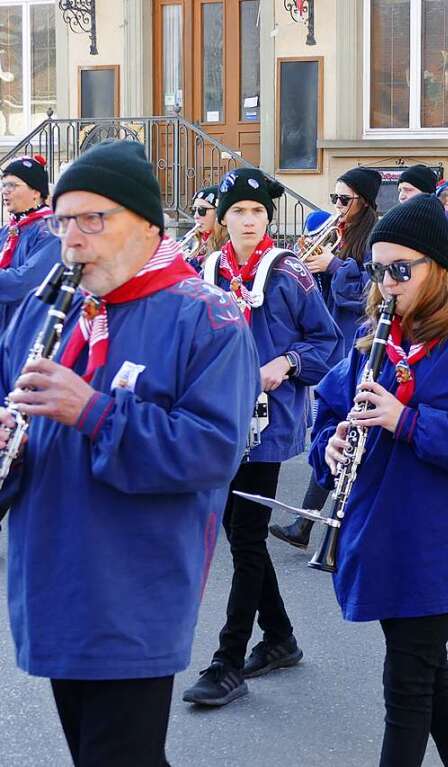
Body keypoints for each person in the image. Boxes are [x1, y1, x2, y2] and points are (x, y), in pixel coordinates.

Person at [0, 139, 259, 766]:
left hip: (133, 589)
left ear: (146, 224)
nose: (73, 239)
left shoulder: (209, 317)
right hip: (53, 581)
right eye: (64, 220)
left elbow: (212, 450)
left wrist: (92, 411)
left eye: (94, 219)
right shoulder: (43, 310)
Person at [310, 193, 448, 765]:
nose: (387, 284)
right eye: (380, 270)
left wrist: (407, 421)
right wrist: (328, 445)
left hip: (441, 537)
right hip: (380, 527)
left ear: (437, 266)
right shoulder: (378, 331)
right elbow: (332, 405)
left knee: (406, 683)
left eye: (400, 270)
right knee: (427, 670)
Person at [183, 167, 343, 707]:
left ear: (267, 218)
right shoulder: (206, 269)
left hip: (265, 424)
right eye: (239, 213)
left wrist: (287, 361)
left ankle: (228, 660)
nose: (249, 221)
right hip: (216, 417)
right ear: (223, 220)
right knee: (239, 532)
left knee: (246, 535)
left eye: (257, 212)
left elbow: (327, 338)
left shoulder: (288, 271)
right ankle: (279, 638)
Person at [271, 166, 381, 549]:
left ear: (364, 202)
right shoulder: (342, 233)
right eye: (334, 198)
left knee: (345, 429)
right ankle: (306, 524)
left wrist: (334, 266)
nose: (337, 206)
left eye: (344, 200)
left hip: (359, 339)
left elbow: (372, 288)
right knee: (332, 429)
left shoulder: (372, 238)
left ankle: (321, 526)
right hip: (335, 338)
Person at [0, 155, 61, 329]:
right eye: (4, 185)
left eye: (13, 185)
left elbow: (25, 282)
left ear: (36, 192)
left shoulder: (51, 230)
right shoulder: (9, 231)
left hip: (27, 330)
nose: (5, 191)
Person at [395, 164, 448, 269]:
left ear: (425, 192)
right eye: (400, 190)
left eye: (408, 190)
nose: (402, 196)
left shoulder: (445, 220)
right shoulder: (399, 219)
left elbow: (446, 263)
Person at [183, 185, 227, 271]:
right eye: (193, 210)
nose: (196, 216)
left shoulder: (228, 246)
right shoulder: (196, 242)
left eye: (201, 210)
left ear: (218, 212)